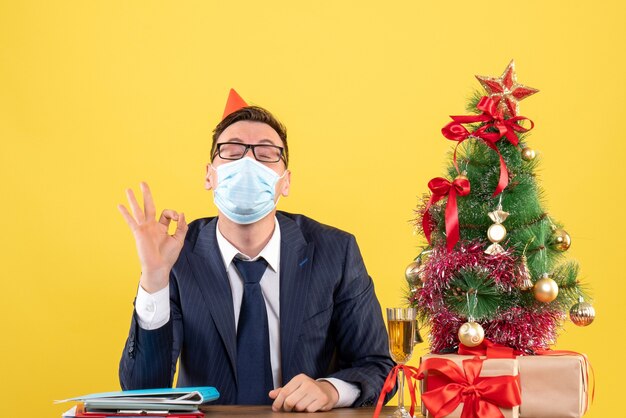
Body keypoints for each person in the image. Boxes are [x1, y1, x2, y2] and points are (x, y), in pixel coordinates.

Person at [117, 89, 394, 412]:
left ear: (285, 183)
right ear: (209, 176)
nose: (248, 162)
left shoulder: (336, 251)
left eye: (265, 154)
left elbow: (379, 367)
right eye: (232, 152)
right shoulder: (179, 256)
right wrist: (154, 278)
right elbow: (142, 392)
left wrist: (330, 390)